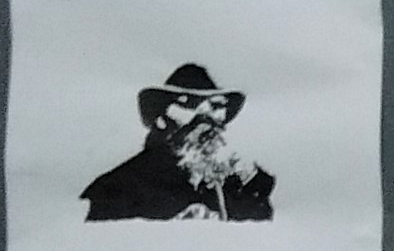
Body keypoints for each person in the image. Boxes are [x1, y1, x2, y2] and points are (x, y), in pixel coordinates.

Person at [82, 63, 275, 222]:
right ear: (161, 119)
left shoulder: (235, 188)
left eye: (216, 106)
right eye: (190, 104)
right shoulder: (115, 189)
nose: (206, 117)